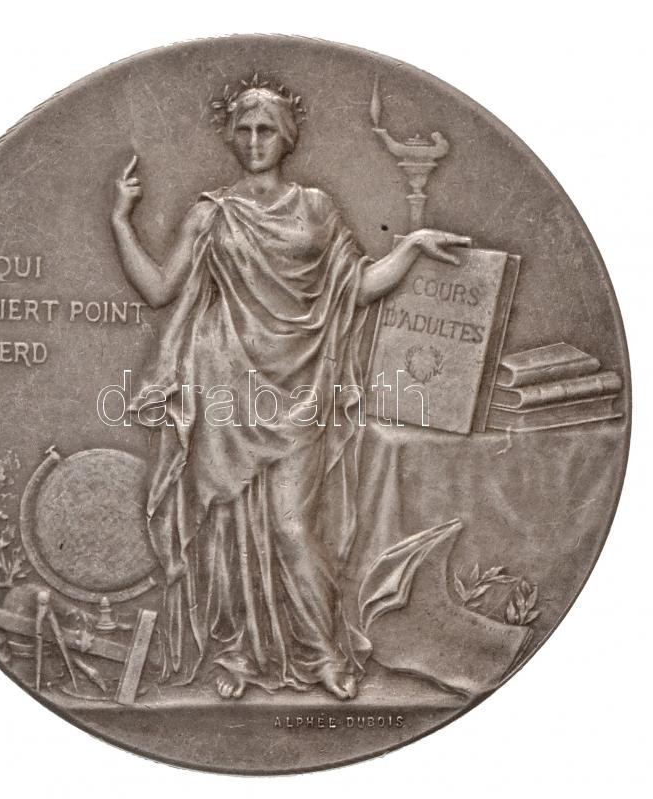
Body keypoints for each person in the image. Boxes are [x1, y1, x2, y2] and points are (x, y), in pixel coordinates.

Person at [111, 79, 468, 700]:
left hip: (301, 389)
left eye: (267, 131)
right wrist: (121, 220)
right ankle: (237, 654)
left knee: (293, 528)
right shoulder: (210, 213)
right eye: (244, 130)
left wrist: (410, 247)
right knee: (228, 527)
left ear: (288, 139)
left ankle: (324, 653)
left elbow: (357, 286)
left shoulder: (317, 208)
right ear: (231, 137)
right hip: (226, 389)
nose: (255, 142)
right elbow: (160, 289)